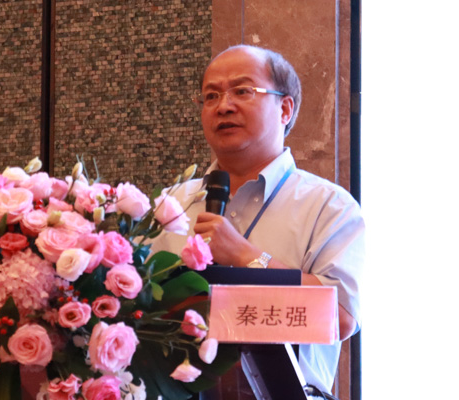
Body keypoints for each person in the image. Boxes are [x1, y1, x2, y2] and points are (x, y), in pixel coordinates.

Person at [152, 44, 364, 394]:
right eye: (211, 95)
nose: (223, 106)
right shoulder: (171, 204)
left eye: (242, 91)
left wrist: (246, 256)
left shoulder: (330, 207)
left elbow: (340, 317)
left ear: (285, 108)